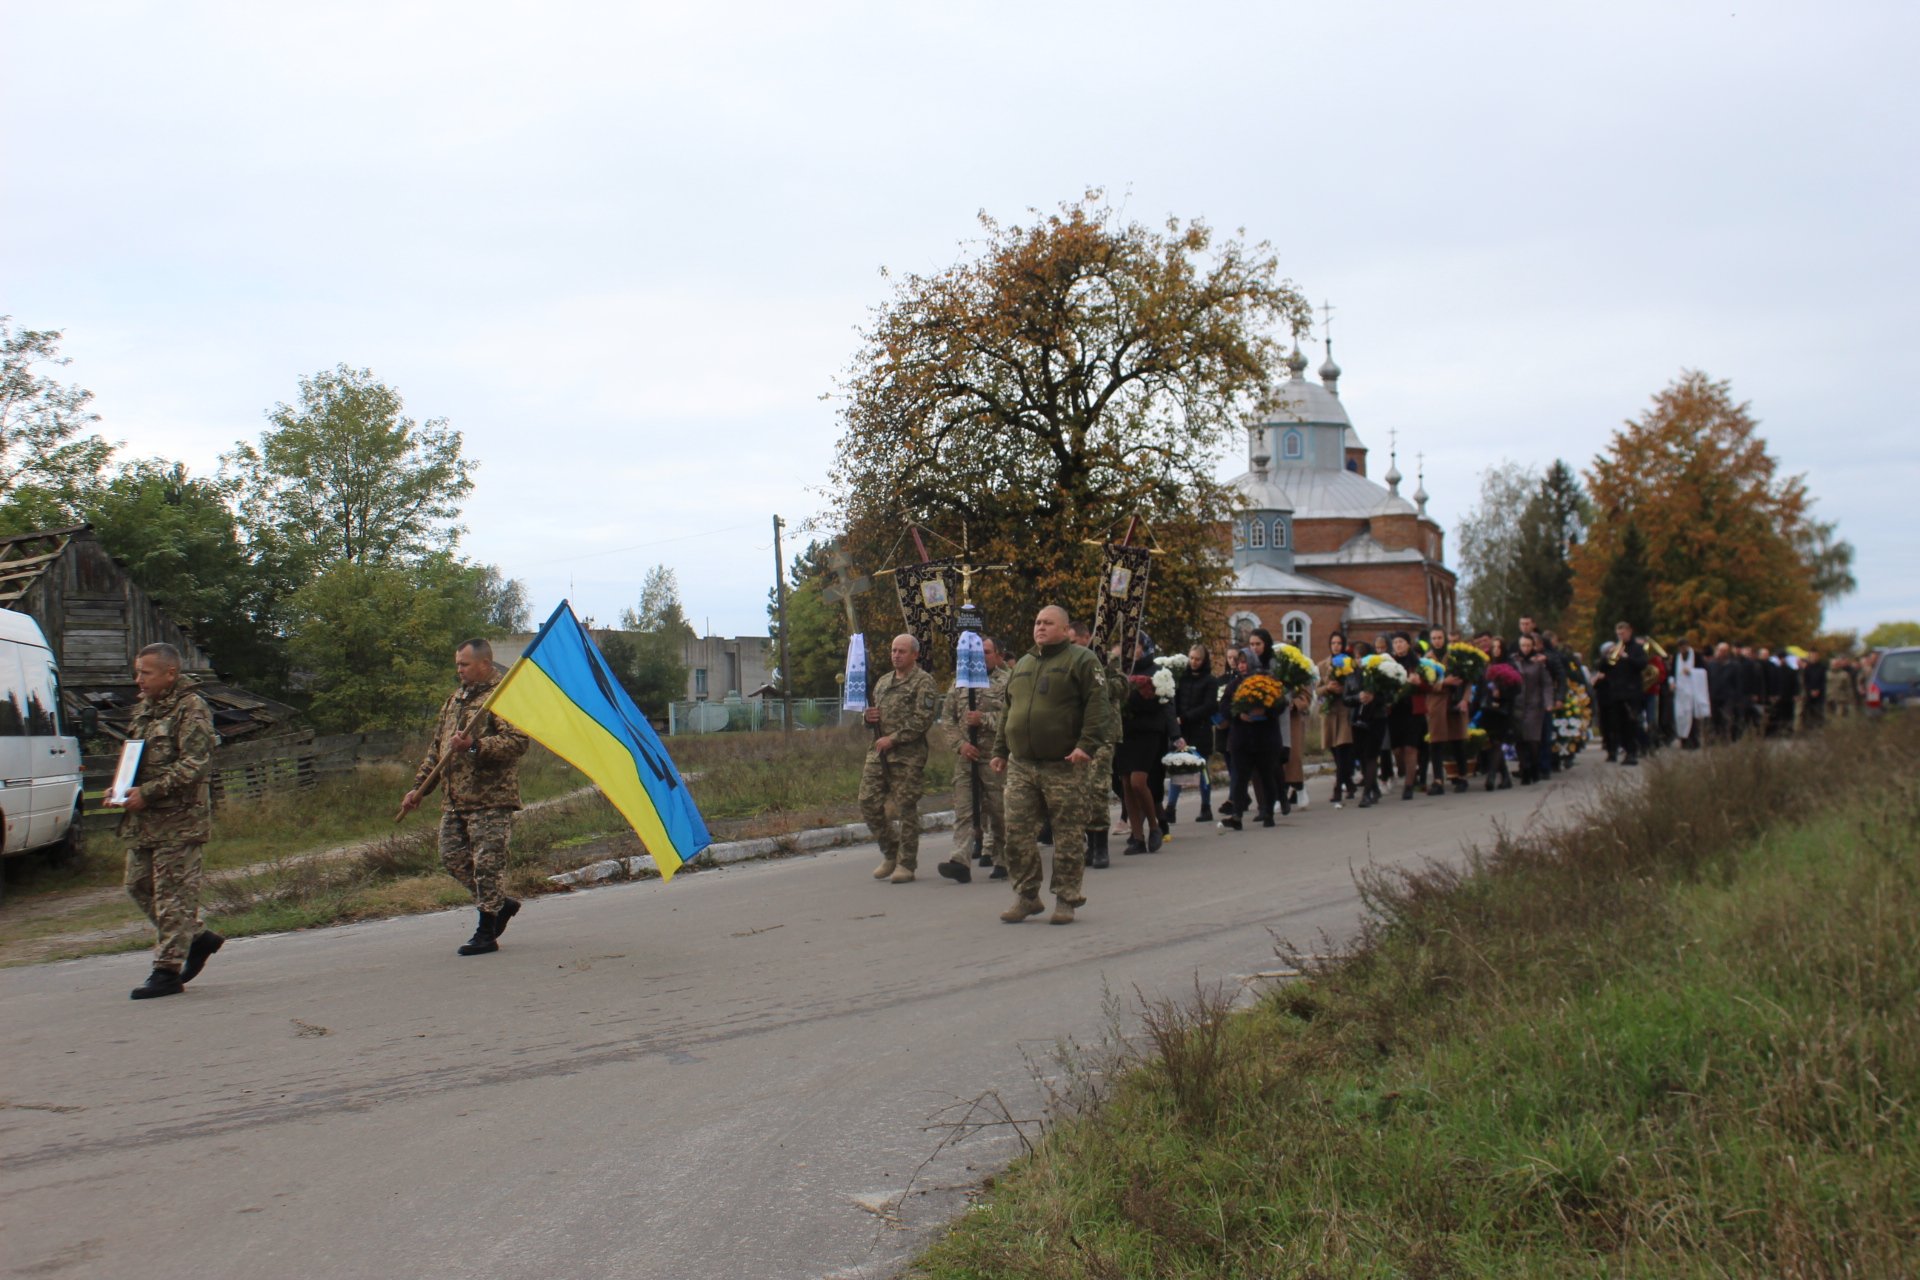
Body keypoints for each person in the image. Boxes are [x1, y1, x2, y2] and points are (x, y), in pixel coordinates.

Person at [399, 638, 532, 954]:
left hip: (490, 799)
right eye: (458, 664)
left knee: (488, 865)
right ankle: (500, 904)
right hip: (455, 800)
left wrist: (474, 746)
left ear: (484, 664)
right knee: (452, 857)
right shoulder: (454, 700)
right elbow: (437, 751)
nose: (459, 669)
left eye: (464, 664)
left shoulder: (501, 698)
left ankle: (486, 932)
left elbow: (517, 742)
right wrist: (420, 788)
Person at [109, 642, 221, 1000]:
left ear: (170, 673)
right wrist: (121, 789)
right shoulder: (145, 709)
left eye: (146, 673)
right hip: (145, 821)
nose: (138, 680)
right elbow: (136, 757)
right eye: (137, 672)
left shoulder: (192, 708)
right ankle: (197, 937)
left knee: (173, 895)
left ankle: (167, 971)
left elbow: (195, 764)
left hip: (180, 820)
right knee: (138, 884)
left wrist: (150, 792)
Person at [992, 605, 1108, 925]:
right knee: (1016, 831)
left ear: (1065, 629)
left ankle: (1067, 898)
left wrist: (1086, 745)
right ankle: (1027, 896)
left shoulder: (1082, 660)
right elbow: (1009, 710)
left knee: (1067, 835)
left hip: (1064, 764)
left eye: (1048, 623)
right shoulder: (1024, 663)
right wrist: (1000, 749)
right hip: (1022, 764)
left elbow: (1098, 706)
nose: (1040, 627)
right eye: (1037, 622)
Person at [855, 634, 937, 883]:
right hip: (878, 753)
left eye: (902, 651)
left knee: (906, 808)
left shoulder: (923, 682)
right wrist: (867, 717)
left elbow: (923, 719)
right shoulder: (882, 682)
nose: (896, 655)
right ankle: (891, 851)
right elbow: (872, 716)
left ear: (915, 654)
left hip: (907, 755)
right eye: (893, 651)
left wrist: (894, 738)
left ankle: (906, 863)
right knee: (867, 801)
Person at [937, 635, 1010, 884]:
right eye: (977, 653)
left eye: (986, 652)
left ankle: (1003, 858)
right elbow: (948, 718)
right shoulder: (961, 682)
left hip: (995, 758)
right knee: (964, 809)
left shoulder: (1007, 682)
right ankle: (960, 860)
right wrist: (960, 745)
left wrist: (985, 719)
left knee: (998, 811)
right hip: (966, 758)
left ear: (998, 655)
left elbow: (1014, 717)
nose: (980, 657)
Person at [1068, 620, 1127, 870]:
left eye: (1074, 641)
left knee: (1097, 787)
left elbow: (1122, 687)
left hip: (1103, 732)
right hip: (1076, 733)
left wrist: (1096, 681)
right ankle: (1090, 844)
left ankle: (1100, 845)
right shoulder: (1067, 661)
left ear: (1086, 638)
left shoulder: (1106, 659)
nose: (1071, 646)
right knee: (1080, 790)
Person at [1219, 648, 1285, 829]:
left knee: (1266, 776)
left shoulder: (1267, 681)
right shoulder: (1234, 685)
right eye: (1239, 662)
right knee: (1240, 778)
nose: (1241, 665)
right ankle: (1237, 816)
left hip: (1265, 739)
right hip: (1242, 739)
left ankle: (1268, 812)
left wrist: (1265, 710)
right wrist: (1238, 714)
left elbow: (1280, 704)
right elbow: (1224, 706)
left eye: (1245, 662)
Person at [1117, 673, 1176, 853]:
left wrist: (1176, 734)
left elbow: (1166, 706)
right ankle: (1137, 838)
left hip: (1147, 733)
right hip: (1124, 733)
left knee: (1138, 782)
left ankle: (1154, 826)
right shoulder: (1115, 673)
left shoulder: (1156, 672)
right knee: (1126, 784)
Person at [1166, 644, 1218, 824]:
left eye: (1198, 659)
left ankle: (1206, 806)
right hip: (1183, 731)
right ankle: (1170, 808)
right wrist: (1175, 719)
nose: (1194, 662)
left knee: (1201, 770)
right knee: (1178, 767)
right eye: (1192, 658)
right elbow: (1175, 700)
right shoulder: (1182, 679)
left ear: (1204, 660)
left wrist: (1186, 717)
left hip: (1200, 730)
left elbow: (1209, 706)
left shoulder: (1210, 681)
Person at [1418, 627, 1471, 795]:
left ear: (1445, 639)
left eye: (1440, 637)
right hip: (1436, 703)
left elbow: (1468, 680)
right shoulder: (1426, 659)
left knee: (1458, 741)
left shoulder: (1455, 656)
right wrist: (1444, 683)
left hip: (1455, 701)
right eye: (1434, 638)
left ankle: (1462, 777)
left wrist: (1465, 700)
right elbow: (1423, 684)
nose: (1437, 641)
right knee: (1436, 742)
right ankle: (1438, 780)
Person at [1590, 622, 1648, 766]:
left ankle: (1632, 753)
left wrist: (1626, 656)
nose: (1621, 636)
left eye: (1623, 633)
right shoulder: (1615, 649)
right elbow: (1602, 668)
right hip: (1616, 693)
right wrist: (1607, 657)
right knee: (1618, 724)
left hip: (1632, 692)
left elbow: (1642, 664)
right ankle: (1623, 750)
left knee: (1632, 723)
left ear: (1629, 631)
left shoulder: (1637, 648)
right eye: (1618, 634)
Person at [1317, 631, 1357, 807]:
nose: (1336, 646)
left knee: (1342, 751)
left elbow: (1356, 686)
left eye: (1339, 643)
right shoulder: (1323, 665)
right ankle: (1349, 783)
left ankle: (1338, 789)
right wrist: (1328, 688)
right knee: (1335, 751)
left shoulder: (1350, 664)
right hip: (1329, 711)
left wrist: (1344, 689)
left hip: (1344, 711)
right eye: (1333, 643)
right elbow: (1317, 690)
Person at [1384, 632, 1425, 800]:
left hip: (1413, 710)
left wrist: (1419, 683)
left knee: (1410, 747)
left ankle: (1409, 785)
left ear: (1408, 644)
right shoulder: (1389, 664)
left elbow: (1428, 685)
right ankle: (1403, 769)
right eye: (1395, 642)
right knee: (1397, 749)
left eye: (1401, 642)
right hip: (1394, 710)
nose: (1398, 645)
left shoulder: (1417, 664)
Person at [1514, 633, 1553, 783]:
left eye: (1528, 645)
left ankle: (1534, 767)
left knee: (1532, 739)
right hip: (1518, 705)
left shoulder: (1538, 662)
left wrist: (1548, 702)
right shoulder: (1514, 661)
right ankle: (1524, 769)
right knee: (1519, 739)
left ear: (1533, 646)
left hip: (1534, 705)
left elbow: (1546, 684)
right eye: (1523, 645)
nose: (1525, 648)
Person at [1479, 636, 1516, 790]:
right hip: (1489, 709)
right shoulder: (1487, 665)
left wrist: (1503, 692)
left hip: (1503, 709)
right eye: (1494, 647)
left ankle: (1492, 776)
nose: (1496, 650)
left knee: (1497, 742)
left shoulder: (1510, 665)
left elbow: (1517, 688)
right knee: (1492, 742)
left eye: (1499, 647)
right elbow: (1481, 685)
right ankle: (1505, 777)